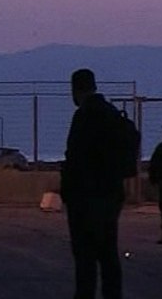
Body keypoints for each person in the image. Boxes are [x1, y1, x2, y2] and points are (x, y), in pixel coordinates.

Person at [61, 68, 125, 299]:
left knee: (85, 257)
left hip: (85, 198)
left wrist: (68, 192)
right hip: (111, 194)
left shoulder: (84, 115)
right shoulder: (111, 113)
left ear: (76, 89)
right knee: (108, 253)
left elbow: (75, 157)